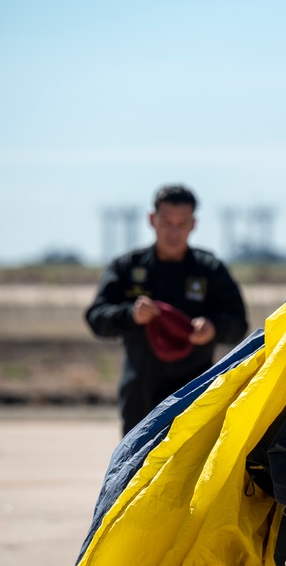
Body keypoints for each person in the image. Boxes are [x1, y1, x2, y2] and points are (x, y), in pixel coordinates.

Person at [85, 184, 249, 436]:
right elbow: (96, 317)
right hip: (140, 390)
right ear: (152, 220)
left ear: (193, 224)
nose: (173, 232)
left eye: (181, 224)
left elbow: (238, 322)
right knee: (135, 470)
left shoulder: (210, 269)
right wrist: (131, 315)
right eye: (166, 222)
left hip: (194, 389)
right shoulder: (128, 267)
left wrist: (213, 328)